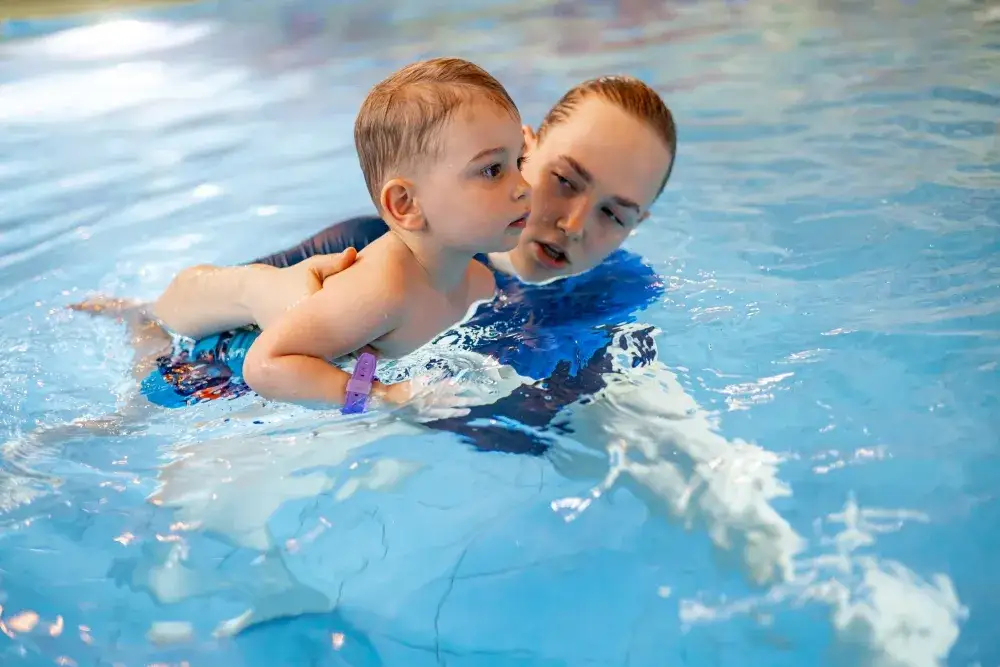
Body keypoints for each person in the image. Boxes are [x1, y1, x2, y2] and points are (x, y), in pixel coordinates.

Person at [145, 73, 677, 454]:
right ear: (527, 148)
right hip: (215, 407)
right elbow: (169, 312)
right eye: (564, 180)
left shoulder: (615, 294)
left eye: (614, 213)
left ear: (640, 223)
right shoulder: (373, 249)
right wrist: (257, 290)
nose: (575, 224)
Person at [231, 56, 530, 409]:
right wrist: (384, 397)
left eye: (519, 162)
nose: (523, 186)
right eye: (493, 169)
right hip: (213, 376)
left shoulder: (478, 282)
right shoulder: (383, 289)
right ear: (406, 204)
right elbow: (266, 365)